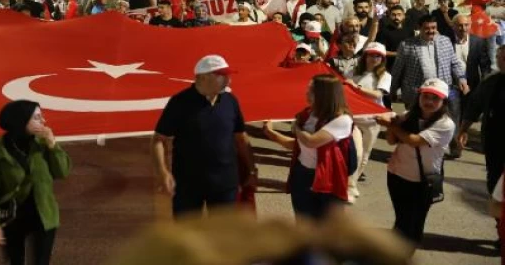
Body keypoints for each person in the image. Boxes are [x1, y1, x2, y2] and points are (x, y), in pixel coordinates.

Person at [152, 55, 256, 217]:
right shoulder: (179, 103)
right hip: (188, 185)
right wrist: (163, 172)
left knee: (223, 235)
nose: (228, 80)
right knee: (188, 236)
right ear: (202, 77)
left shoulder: (230, 101)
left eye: (228, 75)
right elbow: (158, 140)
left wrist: (251, 170)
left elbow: (241, 137)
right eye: (222, 75)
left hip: (225, 185)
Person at [0, 100, 71, 265]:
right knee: (15, 261)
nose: (43, 121)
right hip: (12, 216)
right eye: (36, 117)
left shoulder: (43, 143)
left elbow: (62, 172)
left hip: (44, 214)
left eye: (41, 116)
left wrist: (52, 144)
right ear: (20, 121)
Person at [262, 74, 354, 220]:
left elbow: (311, 141)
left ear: (324, 94)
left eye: (311, 90)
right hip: (302, 175)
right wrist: (272, 134)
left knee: (326, 226)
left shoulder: (342, 120)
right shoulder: (308, 114)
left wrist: (296, 127)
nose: (306, 93)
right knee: (303, 221)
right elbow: (298, 145)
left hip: (327, 180)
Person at [376, 78, 455, 246]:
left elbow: (414, 140)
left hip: (422, 182)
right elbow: (392, 141)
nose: (428, 101)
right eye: (425, 96)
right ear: (418, 97)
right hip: (397, 175)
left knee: (412, 225)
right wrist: (390, 123)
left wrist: (392, 125)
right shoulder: (407, 115)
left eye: (435, 98)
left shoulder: (446, 124)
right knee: (402, 220)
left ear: (444, 102)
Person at [344, 42, 392, 202]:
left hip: (373, 120)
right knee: (355, 153)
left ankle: (352, 184)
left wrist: (356, 87)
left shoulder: (385, 76)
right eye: (371, 54)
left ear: (382, 59)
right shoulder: (352, 72)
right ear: (365, 56)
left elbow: (378, 95)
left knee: (365, 154)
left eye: (378, 55)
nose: (374, 58)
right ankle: (348, 188)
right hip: (353, 119)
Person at [390, 15, 468, 110]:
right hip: (415, 96)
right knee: (412, 123)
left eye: (433, 28)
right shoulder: (406, 45)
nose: (431, 31)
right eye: (426, 28)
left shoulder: (445, 41)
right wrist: (392, 92)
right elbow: (397, 71)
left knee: (446, 122)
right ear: (419, 28)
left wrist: (461, 79)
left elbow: (455, 63)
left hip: (443, 93)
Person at [459, 45, 505, 194]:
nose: (502, 62)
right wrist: (463, 130)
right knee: (494, 179)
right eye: (501, 58)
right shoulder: (490, 81)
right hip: (494, 140)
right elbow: (474, 106)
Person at [447, 14, 491, 159]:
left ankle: (461, 138)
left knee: (467, 116)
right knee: (454, 114)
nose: (463, 28)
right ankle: (455, 147)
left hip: (472, 86)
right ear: (453, 26)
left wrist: (485, 83)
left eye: (466, 25)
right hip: (452, 86)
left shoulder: (478, 42)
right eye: (459, 25)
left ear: (470, 26)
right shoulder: (446, 41)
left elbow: (484, 64)